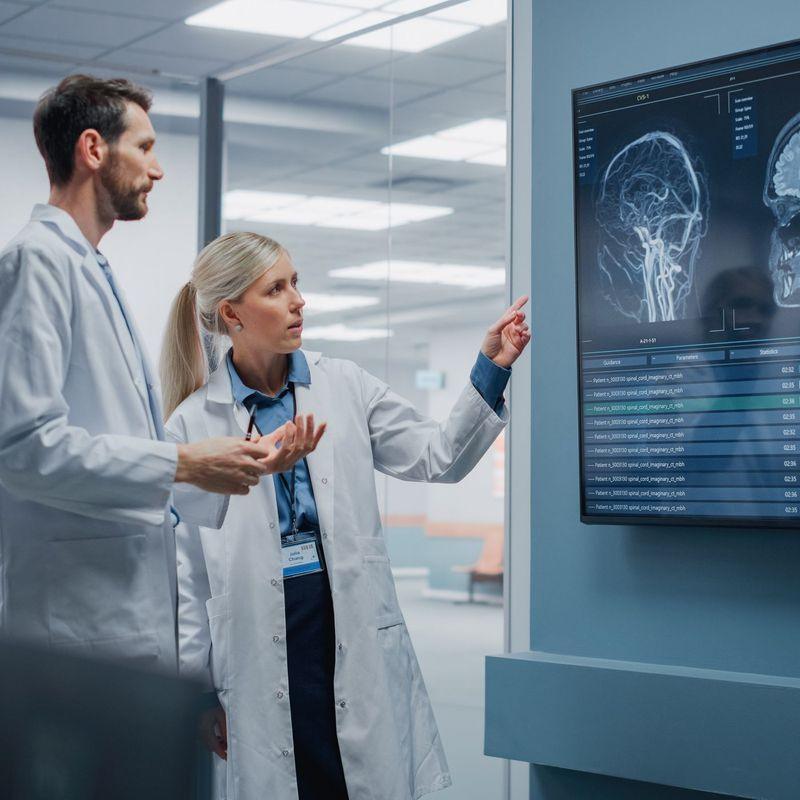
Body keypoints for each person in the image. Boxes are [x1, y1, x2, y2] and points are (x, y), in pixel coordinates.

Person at [161, 230, 530, 800]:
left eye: (296, 283)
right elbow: (184, 576)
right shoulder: (191, 424)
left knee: (352, 778)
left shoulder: (344, 385)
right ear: (231, 313)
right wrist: (199, 692)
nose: (297, 300)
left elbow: (437, 456)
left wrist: (492, 368)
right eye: (276, 288)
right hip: (260, 643)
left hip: (343, 623)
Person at [0, 75, 294, 671]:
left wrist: (225, 467)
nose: (157, 170)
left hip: (118, 617)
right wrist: (185, 462)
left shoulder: (90, 268)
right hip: (73, 624)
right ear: (93, 150)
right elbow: (24, 449)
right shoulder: (37, 262)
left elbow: (123, 463)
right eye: (145, 147)